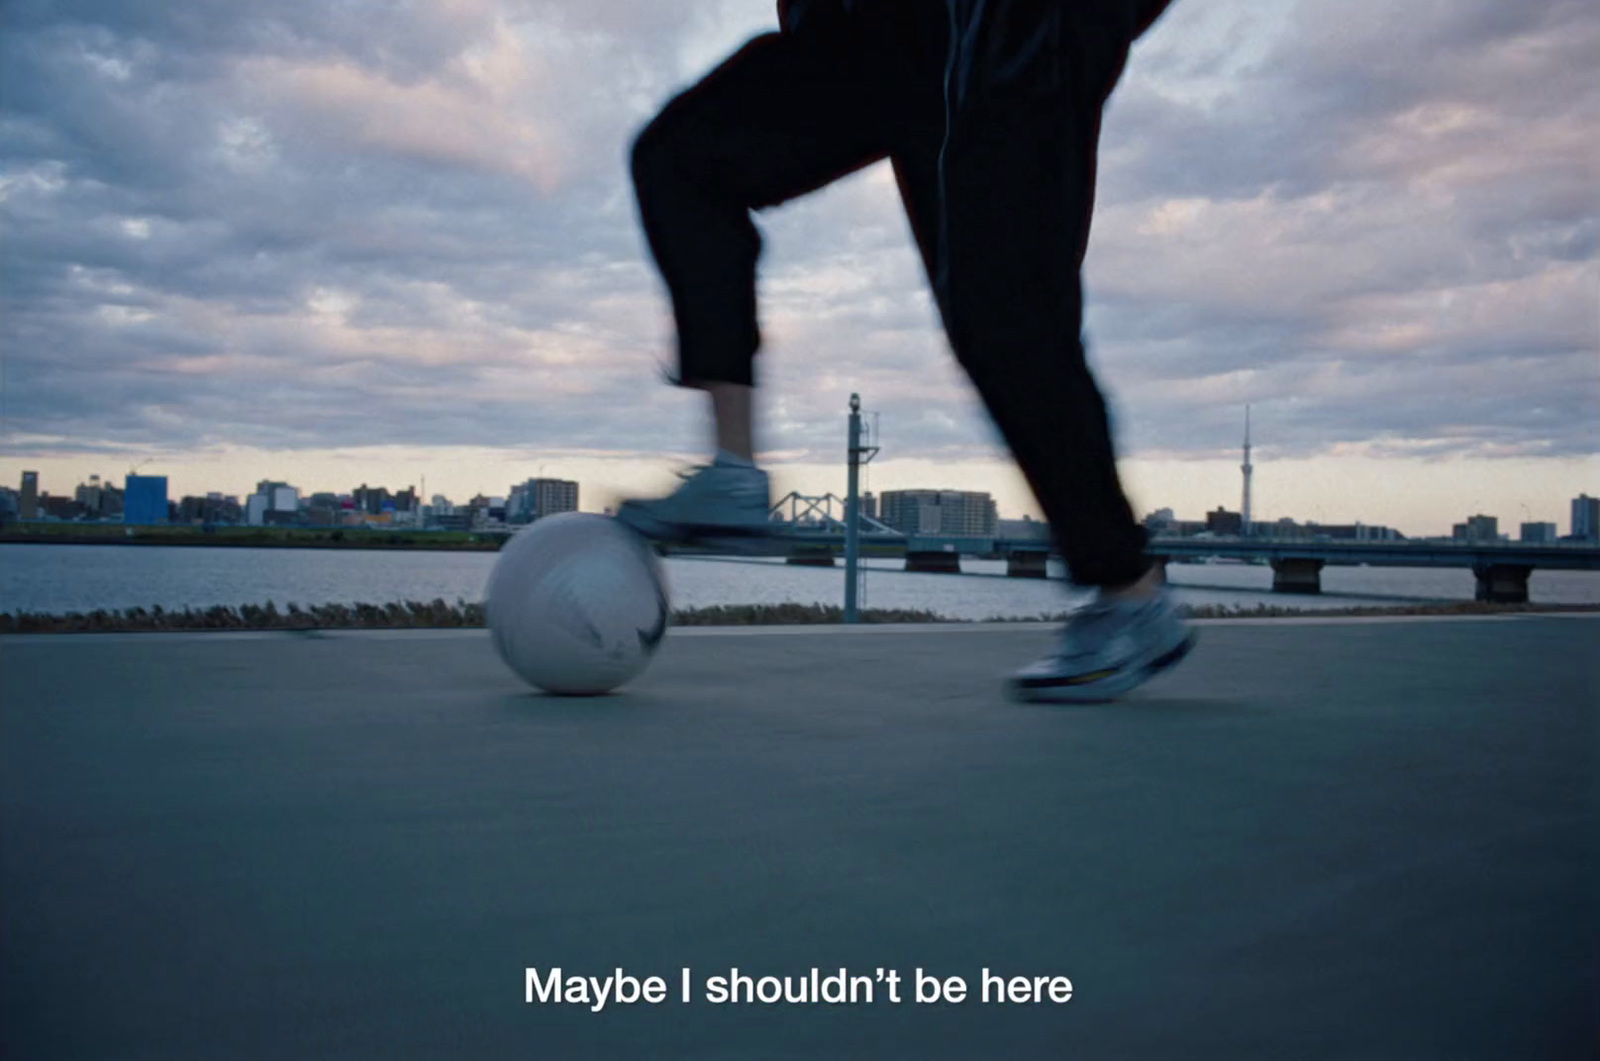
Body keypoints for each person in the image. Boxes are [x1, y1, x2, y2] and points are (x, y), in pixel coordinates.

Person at [618, 0, 1193, 702]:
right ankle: (734, 471)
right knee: (681, 157)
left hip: (1021, 20)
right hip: (877, 27)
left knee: (1000, 311)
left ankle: (1131, 596)